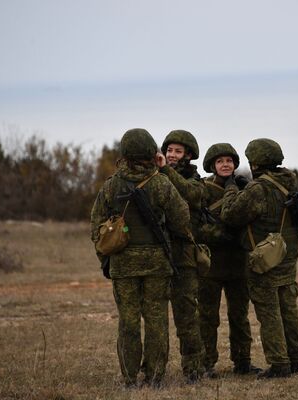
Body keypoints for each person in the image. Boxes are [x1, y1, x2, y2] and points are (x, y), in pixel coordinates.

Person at [90, 128, 190, 388]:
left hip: (123, 267)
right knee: (157, 319)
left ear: (124, 153)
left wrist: (106, 258)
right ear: (151, 152)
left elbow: (95, 227)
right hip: (157, 265)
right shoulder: (161, 183)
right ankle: (156, 377)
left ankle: (130, 378)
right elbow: (182, 218)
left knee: (128, 322)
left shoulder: (111, 185)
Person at [220, 138, 298, 379]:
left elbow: (230, 214)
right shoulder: (288, 182)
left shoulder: (259, 189)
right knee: (289, 311)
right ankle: (297, 360)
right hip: (286, 258)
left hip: (264, 261)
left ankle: (279, 364)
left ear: (255, 162)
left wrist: (230, 189)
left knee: (269, 314)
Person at [198, 143, 261, 377]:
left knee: (240, 317)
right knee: (206, 318)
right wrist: (215, 233)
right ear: (212, 165)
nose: (225, 164)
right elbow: (193, 224)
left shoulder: (246, 188)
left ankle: (243, 361)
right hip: (210, 267)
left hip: (238, 265)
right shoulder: (203, 190)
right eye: (220, 161)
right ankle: (205, 364)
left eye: (229, 161)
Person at [157, 129, 206, 382]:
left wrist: (166, 171)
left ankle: (194, 370)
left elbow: (190, 195)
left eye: (178, 151)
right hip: (157, 257)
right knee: (156, 320)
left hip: (185, 257)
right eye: (169, 150)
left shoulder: (196, 181)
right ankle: (155, 372)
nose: (172, 155)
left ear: (188, 154)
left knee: (187, 317)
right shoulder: (156, 177)